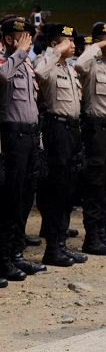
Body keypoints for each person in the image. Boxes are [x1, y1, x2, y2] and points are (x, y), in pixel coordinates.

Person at [34, 23, 88, 267]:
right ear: (55, 44)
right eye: (67, 41)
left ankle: (62, 244)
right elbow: (39, 74)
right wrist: (55, 52)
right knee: (56, 189)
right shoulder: (47, 63)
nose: (73, 45)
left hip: (73, 130)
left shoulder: (69, 68)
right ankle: (53, 248)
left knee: (68, 188)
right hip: (56, 129)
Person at [0, 16, 47, 282]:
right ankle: (3, 258)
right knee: (10, 198)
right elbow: (2, 76)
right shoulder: (6, 61)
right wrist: (18, 53)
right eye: (23, 37)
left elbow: (32, 105)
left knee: (26, 197)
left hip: (29, 136)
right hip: (12, 137)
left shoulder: (27, 63)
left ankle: (16, 254)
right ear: (9, 38)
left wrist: (38, 140)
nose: (28, 42)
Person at [74, 22, 106, 255]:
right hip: (97, 130)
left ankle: (102, 235)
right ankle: (91, 238)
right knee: (95, 183)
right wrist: (97, 46)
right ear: (99, 41)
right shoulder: (90, 64)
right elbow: (79, 64)